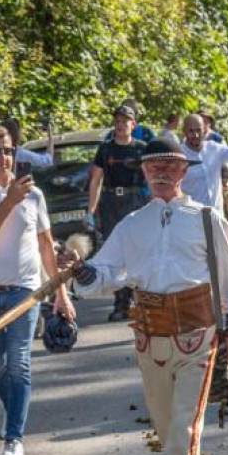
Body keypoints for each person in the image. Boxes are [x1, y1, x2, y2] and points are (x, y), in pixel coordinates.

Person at [67, 139, 228, 455]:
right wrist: (79, 271)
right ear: (144, 173)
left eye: (170, 166)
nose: (162, 173)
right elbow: (104, 275)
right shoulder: (132, 224)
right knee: (169, 431)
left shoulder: (208, 219)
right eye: (154, 167)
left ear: (184, 172)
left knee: (184, 428)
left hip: (199, 337)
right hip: (151, 339)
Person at [0, 125, 75, 455]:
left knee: (19, 362)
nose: (4, 158)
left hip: (25, 290)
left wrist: (61, 293)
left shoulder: (34, 195)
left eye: (8, 151)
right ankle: (13, 413)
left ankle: (14, 437)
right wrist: (9, 201)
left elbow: (45, 246)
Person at [87, 105, 148, 321]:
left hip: (135, 201)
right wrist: (91, 211)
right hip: (111, 202)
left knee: (138, 251)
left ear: (134, 124)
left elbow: (151, 176)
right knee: (116, 253)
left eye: (125, 121)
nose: (121, 125)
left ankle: (141, 302)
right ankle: (121, 303)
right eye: (118, 121)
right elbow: (96, 179)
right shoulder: (106, 149)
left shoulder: (142, 149)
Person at [175, 113, 228, 210]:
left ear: (204, 129)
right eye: (191, 131)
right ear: (184, 131)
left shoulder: (214, 148)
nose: (195, 135)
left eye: (198, 130)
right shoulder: (178, 155)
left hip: (216, 214)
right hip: (191, 215)